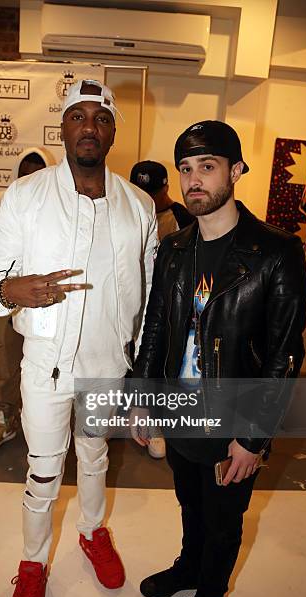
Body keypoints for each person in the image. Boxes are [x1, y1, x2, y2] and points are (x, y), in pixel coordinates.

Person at [0, 79, 157, 597]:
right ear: (62, 127)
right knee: (44, 467)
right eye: (77, 117)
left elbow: (145, 304)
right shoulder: (26, 197)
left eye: (100, 119)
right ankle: (33, 563)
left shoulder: (139, 206)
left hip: (107, 366)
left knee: (96, 455)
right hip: (46, 366)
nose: (88, 128)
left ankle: (92, 532)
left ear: (113, 131)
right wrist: (14, 290)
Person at [131, 120, 306, 597]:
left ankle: (209, 596)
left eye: (207, 167)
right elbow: (156, 328)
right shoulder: (173, 249)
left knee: (225, 519)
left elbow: (285, 353)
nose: (193, 180)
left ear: (235, 170)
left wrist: (253, 435)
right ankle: (189, 565)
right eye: (185, 168)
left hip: (234, 417)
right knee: (190, 502)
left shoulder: (275, 251)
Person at [0, 147, 54, 452]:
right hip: (7, 293)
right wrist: (15, 272)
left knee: (48, 362)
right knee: (6, 361)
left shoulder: (56, 208)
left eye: (38, 170)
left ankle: (50, 425)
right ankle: (5, 418)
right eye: (25, 171)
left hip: (45, 298)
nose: (30, 177)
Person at [129, 160, 193, 460]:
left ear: (166, 186)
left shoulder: (184, 216)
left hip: (168, 306)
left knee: (158, 360)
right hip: (131, 300)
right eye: (141, 191)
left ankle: (155, 421)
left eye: (153, 192)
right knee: (126, 360)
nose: (147, 198)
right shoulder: (125, 213)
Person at [130, 159, 194, 240]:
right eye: (137, 193)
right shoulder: (127, 213)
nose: (143, 198)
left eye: (150, 194)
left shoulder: (183, 220)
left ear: (165, 189)